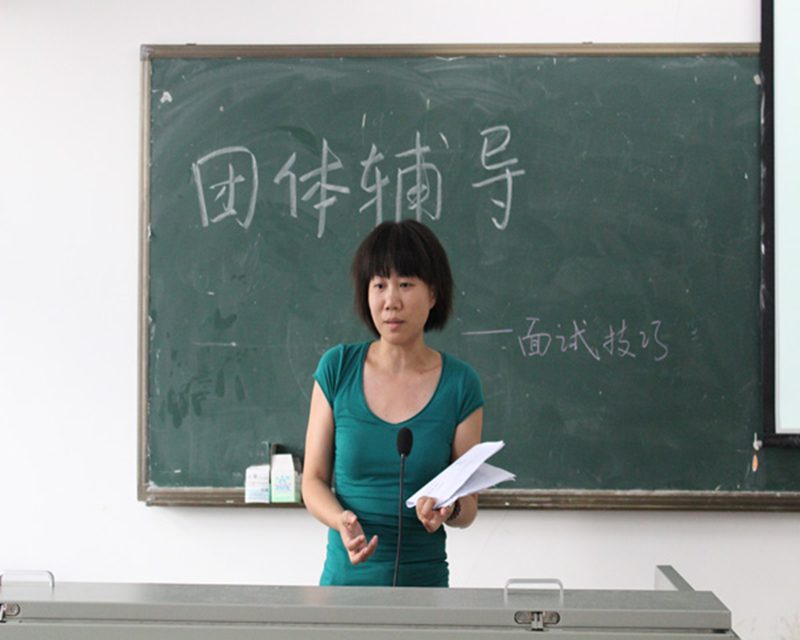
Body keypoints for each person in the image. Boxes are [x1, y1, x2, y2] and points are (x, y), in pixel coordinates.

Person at [302, 219, 484, 587]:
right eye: (379, 285)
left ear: (433, 294)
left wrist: (449, 508)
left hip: (424, 591)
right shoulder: (337, 369)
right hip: (344, 590)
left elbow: (469, 507)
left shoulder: (460, 384)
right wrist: (340, 520)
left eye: (406, 284)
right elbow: (313, 480)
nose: (391, 301)